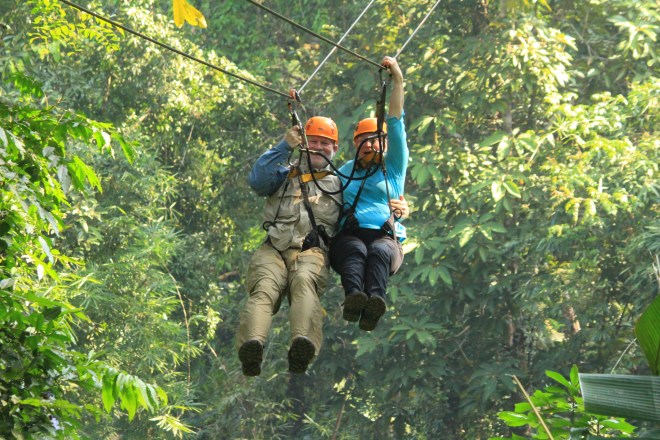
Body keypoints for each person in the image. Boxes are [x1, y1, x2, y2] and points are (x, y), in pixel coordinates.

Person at [236, 116, 343, 376]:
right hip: (274, 247)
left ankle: (302, 346)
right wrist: (285, 146)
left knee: (304, 280)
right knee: (264, 287)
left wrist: (395, 214)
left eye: (325, 143)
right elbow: (257, 181)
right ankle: (252, 347)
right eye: (313, 141)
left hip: (311, 251)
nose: (318, 147)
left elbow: (369, 203)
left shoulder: (342, 184)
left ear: (335, 148)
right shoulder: (283, 174)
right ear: (303, 143)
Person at [329, 56, 408, 332]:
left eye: (376, 140)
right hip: (348, 235)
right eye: (364, 141)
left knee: (378, 251)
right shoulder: (343, 173)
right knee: (355, 250)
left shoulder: (393, 167)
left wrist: (397, 80)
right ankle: (354, 298)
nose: (370, 145)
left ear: (385, 144)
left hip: (386, 237)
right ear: (356, 144)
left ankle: (375, 302)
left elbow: (395, 122)